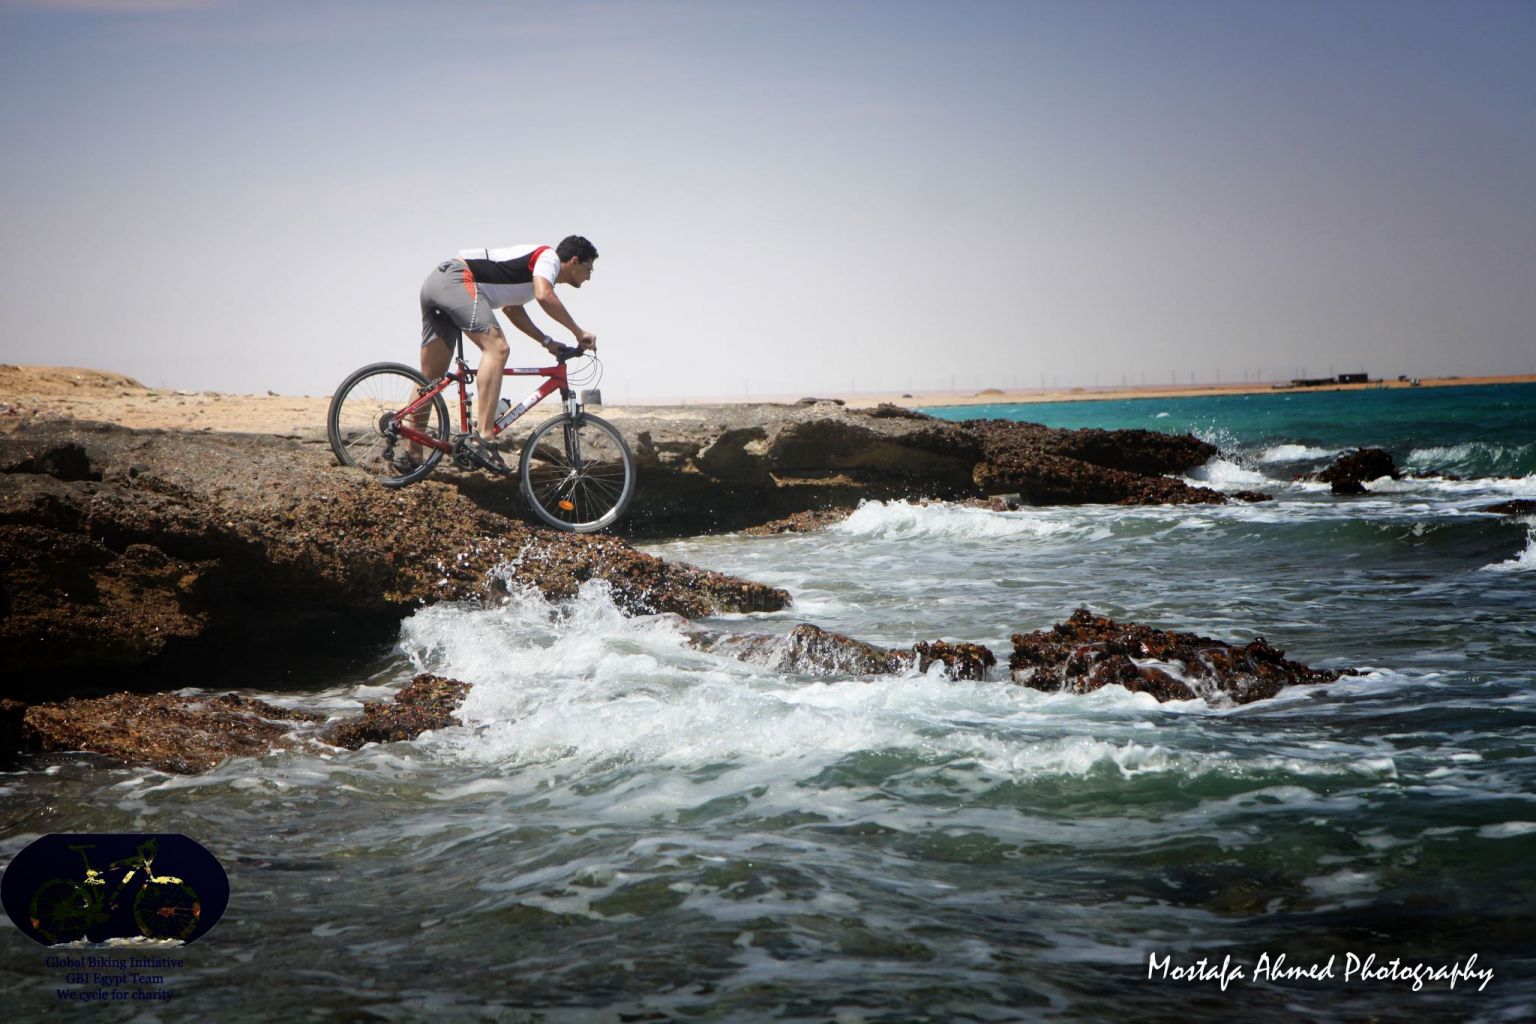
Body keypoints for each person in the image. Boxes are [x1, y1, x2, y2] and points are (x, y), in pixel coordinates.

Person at [415, 235, 599, 472]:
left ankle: (411, 453)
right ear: (574, 261)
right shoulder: (548, 258)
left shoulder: (532, 278)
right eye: (588, 268)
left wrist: (547, 342)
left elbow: (512, 310)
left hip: (437, 283)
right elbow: (545, 295)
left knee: (430, 378)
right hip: (457, 279)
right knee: (498, 348)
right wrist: (578, 331)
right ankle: (483, 437)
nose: (589, 277)